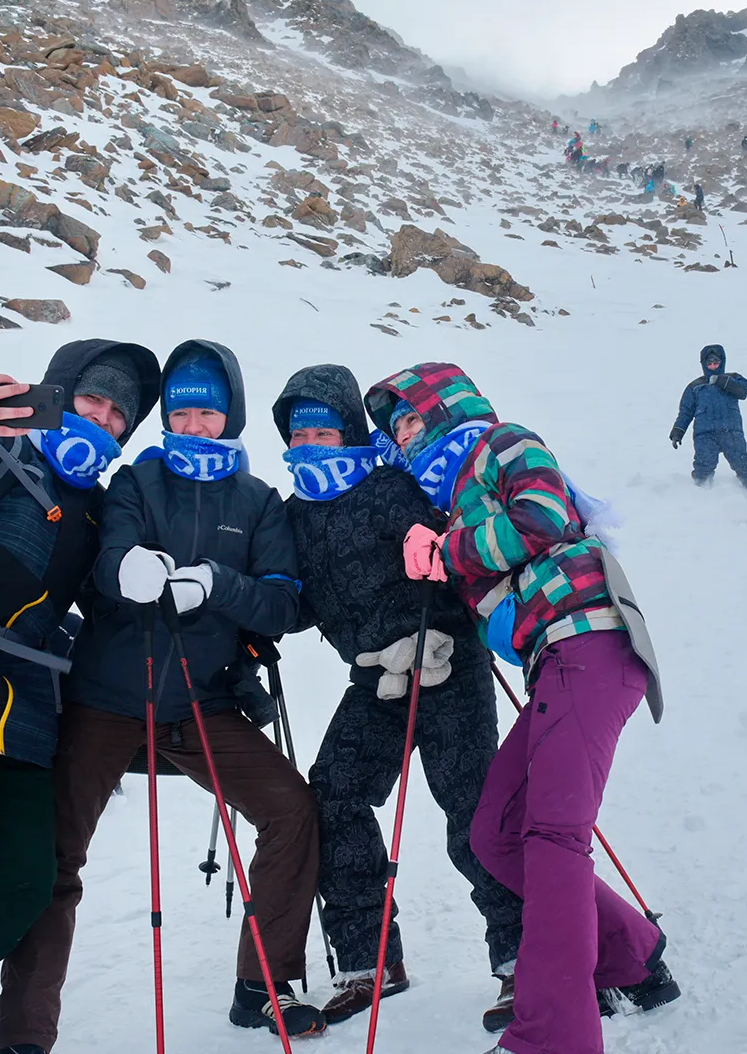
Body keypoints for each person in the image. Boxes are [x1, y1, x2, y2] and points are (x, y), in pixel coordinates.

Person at [0, 341, 326, 1054]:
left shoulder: (258, 501)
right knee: (56, 859)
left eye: (207, 412)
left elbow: (284, 606)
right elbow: (108, 562)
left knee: (292, 810)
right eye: (181, 413)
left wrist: (217, 584)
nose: (194, 426)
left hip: (199, 705)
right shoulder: (135, 483)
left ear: (228, 413)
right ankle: (25, 1034)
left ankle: (263, 986)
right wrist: (127, 571)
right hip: (107, 697)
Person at [364, 363, 678, 1054]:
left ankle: (552, 1035)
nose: (408, 436)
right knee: (496, 834)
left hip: (592, 641)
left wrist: (446, 552)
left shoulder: (504, 443)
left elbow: (543, 517)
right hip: (555, 665)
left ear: (448, 406)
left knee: (553, 836)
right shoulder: (452, 500)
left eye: (414, 417)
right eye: (397, 430)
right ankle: (632, 957)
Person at [271, 365, 523, 1032]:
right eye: (301, 434)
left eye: (327, 430)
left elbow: (426, 530)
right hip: (375, 679)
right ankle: (369, 960)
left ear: (351, 431)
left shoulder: (389, 484)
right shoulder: (294, 513)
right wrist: (250, 615)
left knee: (472, 809)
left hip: (444, 663)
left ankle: (522, 960)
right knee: (332, 794)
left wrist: (422, 539)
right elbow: (297, 605)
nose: (314, 445)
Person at [0, 341, 159, 1023]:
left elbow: (108, 614)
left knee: (21, 881)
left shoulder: (102, 512)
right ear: (59, 393)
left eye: (115, 419)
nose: (100, 421)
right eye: (90, 402)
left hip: (22, 715)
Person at [668, 345, 747, 493]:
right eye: (709, 363)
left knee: (741, 461)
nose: (713, 366)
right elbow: (685, 412)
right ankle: (701, 492)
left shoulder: (733, 379)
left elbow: (743, 391)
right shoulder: (695, 387)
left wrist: (722, 381)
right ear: (704, 365)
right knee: (703, 464)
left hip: (730, 431)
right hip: (704, 434)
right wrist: (678, 431)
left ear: (722, 362)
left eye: (716, 363)